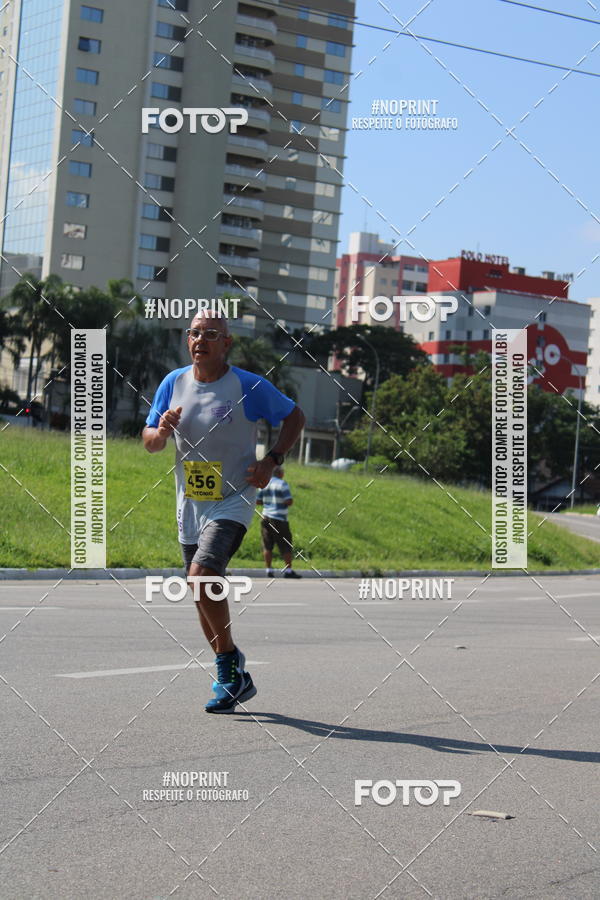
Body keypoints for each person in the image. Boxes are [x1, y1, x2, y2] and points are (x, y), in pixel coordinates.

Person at [142, 313, 305, 713]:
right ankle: (232, 675)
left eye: (211, 334)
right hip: (190, 504)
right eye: (195, 334)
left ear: (226, 343)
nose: (202, 340)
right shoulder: (173, 383)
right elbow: (149, 441)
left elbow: (294, 416)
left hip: (234, 498)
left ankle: (227, 663)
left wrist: (272, 460)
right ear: (187, 340)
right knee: (199, 592)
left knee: (202, 576)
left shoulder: (247, 386)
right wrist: (160, 432)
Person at [256, 466, 302, 578]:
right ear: (280, 473)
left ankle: (268, 570)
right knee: (285, 544)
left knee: (267, 544)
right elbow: (289, 501)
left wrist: (268, 503)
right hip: (279, 519)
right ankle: (288, 571)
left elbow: (258, 501)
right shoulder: (282, 484)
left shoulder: (264, 484)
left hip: (265, 517)